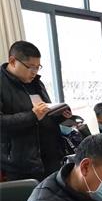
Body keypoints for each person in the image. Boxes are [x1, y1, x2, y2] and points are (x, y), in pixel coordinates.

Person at [1, 41, 71, 181]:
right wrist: (32, 116)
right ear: (13, 61)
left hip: (51, 158)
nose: (34, 72)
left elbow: (45, 113)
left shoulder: (36, 83)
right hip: (20, 165)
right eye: (30, 67)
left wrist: (60, 115)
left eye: (38, 67)